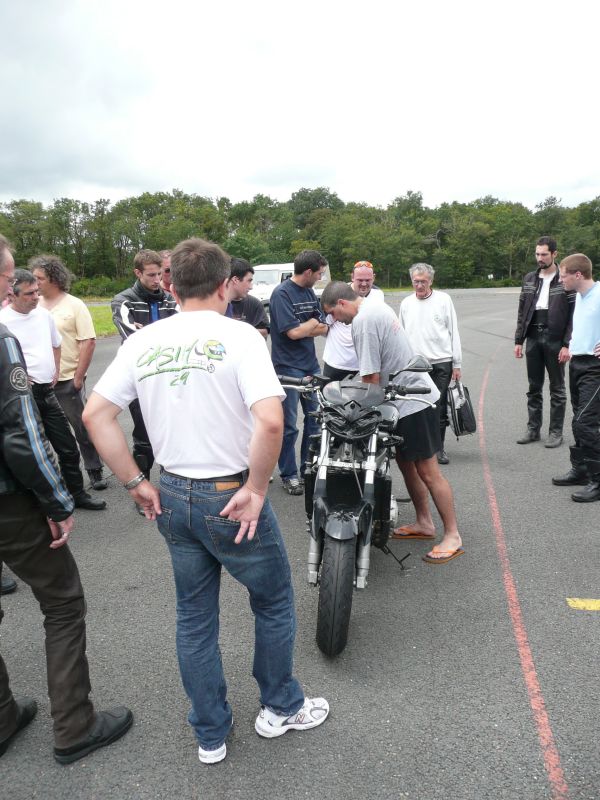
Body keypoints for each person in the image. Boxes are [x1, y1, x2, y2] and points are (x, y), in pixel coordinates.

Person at [83, 237, 329, 765]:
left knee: (195, 617)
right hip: (229, 491)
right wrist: (257, 488)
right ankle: (280, 706)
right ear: (224, 285)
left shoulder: (143, 341)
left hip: (172, 490)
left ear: (171, 286)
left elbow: (95, 415)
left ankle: (211, 732)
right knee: (272, 600)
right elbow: (271, 420)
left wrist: (134, 481)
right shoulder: (240, 336)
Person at [0, 234, 132, 763]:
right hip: (8, 502)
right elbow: (21, 434)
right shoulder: (2, 338)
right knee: (62, 602)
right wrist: (58, 503)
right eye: (7, 275)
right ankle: (74, 727)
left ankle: (3, 717)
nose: (12, 286)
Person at [321, 281, 464, 564]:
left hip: (415, 401)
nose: (334, 321)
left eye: (333, 314)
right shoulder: (375, 307)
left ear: (342, 303)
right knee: (406, 463)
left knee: (428, 471)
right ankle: (424, 522)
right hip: (404, 399)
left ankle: (452, 535)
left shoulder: (363, 322)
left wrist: (355, 412)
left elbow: (370, 379)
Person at [0, 270, 105, 511]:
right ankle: (40, 505)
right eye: (29, 294)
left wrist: (55, 370)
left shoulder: (44, 316)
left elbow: (55, 344)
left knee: (68, 448)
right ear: (12, 294)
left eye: (37, 291)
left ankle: (77, 495)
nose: (36, 297)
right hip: (23, 397)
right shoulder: (3, 321)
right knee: (33, 452)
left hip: (48, 392)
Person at [31, 254, 108, 490]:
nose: (35, 283)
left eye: (39, 278)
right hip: (39, 381)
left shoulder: (74, 305)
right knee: (46, 433)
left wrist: (77, 377)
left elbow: (88, 341)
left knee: (81, 428)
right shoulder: (33, 305)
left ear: (54, 279)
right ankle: (59, 476)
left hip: (67, 380)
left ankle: (94, 469)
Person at [111, 249, 178, 513]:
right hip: (140, 379)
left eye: (160, 273)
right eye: (151, 275)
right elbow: (131, 337)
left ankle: (172, 488)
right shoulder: (123, 300)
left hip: (169, 378)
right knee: (143, 437)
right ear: (138, 273)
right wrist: (161, 336)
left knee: (170, 431)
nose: (157, 279)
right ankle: (143, 490)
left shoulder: (170, 299)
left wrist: (146, 332)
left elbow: (181, 336)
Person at [269, 249, 328, 495]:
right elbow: (292, 333)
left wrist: (309, 326)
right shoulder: (281, 294)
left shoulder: (309, 292)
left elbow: (324, 326)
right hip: (287, 367)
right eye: (319, 274)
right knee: (289, 426)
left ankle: (307, 470)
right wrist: (311, 324)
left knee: (315, 420)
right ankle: (289, 475)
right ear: (308, 272)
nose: (320, 278)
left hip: (310, 364)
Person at [514, 236, 575, 448]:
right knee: (534, 386)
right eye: (537, 254)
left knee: (557, 388)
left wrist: (567, 344)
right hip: (532, 336)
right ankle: (533, 429)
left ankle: (555, 432)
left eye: (544, 254)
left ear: (554, 254)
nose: (540, 258)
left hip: (555, 339)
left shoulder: (564, 280)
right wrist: (519, 340)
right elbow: (522, 311)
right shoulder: (530, 278)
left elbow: (573, 315)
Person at [399, 263, 462, 465]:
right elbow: (400, 335)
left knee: (438, 406)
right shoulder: (406, 303)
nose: (419, 285)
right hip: (415, 365)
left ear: (431, 281)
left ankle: (438, 448)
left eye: (423, 282)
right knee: (414, 405)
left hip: (441, 362)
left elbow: (453, 331)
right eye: (416, 281)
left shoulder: (444, 300)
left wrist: (457, 364)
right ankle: (416, 445)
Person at [552, 253, 600, 501]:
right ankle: (581, 470)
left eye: (563, 276)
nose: (561, 280)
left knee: (585, 422)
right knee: (577, 420)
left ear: (578, 274)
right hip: (577, 363)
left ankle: (598, 479)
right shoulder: (580, 296)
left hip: (595, 367)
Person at [322, 260, 385, 380]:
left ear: (373, 278)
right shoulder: (337, 293)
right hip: (336, 363)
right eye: (360, 280)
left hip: (362, 366)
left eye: (368, 280)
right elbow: (324, 326)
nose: (364, 284)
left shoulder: (378, 295)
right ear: (352, 277)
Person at [227, 257, 269, 338]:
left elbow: (265, 331)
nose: (251, 287)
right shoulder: (217, 304)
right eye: (249, 281)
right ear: (235, 280)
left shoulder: (255, 303)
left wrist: (239, 329)